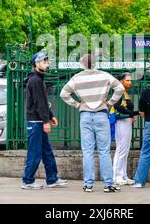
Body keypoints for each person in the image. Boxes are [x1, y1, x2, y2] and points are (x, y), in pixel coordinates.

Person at [60, 54, 124, 193]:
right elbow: (119, 88)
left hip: (85, 116)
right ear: (95, 64)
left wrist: (77, 104)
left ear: (82, 65)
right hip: (101, 114)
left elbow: (63, 93)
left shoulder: (76, 78)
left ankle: (88, 184)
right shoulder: (105, 75)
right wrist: (110, 102)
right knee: (104, 151)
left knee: (87, 151)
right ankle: (108, 184)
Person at [22, 51, 68, 190]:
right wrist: (46, 121)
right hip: (36, 122)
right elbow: (38, 103)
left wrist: (50, 115)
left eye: (47, 61)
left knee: (46, 151)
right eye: (44, 61)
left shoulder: (38, 79)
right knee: (34, 152)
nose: (46, 64)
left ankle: (52, 179)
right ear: (36, 64)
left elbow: (43, 101)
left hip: (38, 120)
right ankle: (28, 181)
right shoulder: (35, 80)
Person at [112, 72, 138, 186]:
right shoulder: (118, 91)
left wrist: (135, 114)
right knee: (121, 148)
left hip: (126, 121)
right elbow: (117, 106)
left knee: (126, 149)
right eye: (127, 80)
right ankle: (116, 176)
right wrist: (131, 114)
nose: (130, 82)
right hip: (120, 122)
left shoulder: (125, 92)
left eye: (130, 80)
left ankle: (123, 175)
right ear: (122, 81)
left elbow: (127, 110)